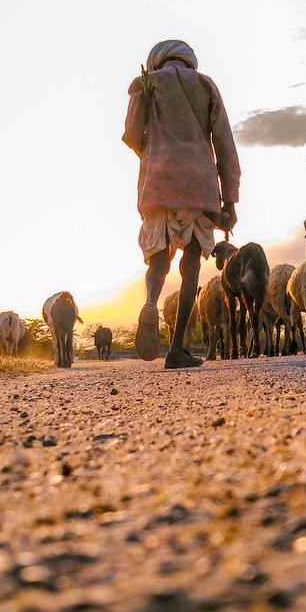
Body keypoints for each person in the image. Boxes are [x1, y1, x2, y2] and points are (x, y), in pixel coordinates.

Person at [123, 39, 240, 369]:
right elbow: (225, 144)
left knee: (158, 258)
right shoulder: (205, 85)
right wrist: (229, 200)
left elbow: (132, 133)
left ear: (157, 59)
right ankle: (177, 349)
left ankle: (149, 303)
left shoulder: (146, 82)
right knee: (190, 263)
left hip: (157, 184)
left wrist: (153, 154)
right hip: (198, 185)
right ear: (190, 60)